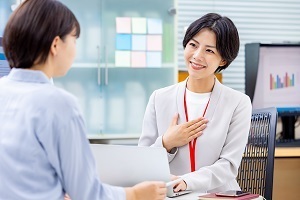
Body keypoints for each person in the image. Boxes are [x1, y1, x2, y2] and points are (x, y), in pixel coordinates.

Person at [0, 0, 166, 200]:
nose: (75, 49)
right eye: (74, 40)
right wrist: (136, 194)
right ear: (55, 45)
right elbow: (88, 193)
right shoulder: (59, 103)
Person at [138, 13, 252, 193]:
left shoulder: (239, 103)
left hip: (220, 195)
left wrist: (187, 181)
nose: (197, 56)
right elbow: (141, 162)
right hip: (171, 195)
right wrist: (167, 142)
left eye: (209, 50)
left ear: (223, 59)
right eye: (193, 45)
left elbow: (229, 165)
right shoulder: (159, 98)